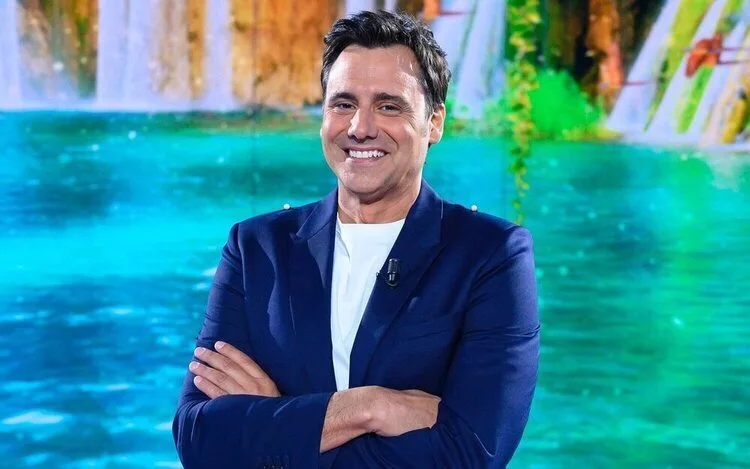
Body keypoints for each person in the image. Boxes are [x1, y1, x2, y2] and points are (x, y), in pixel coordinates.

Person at [172, 10, 540, 469]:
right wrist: (368, 407)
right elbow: (198, 438)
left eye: (389, 106)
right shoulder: (256, 248)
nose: (360, 127)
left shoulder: (491, 254)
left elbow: (469, 453)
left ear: (434, 123)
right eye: (343, 104)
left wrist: (277, 417)